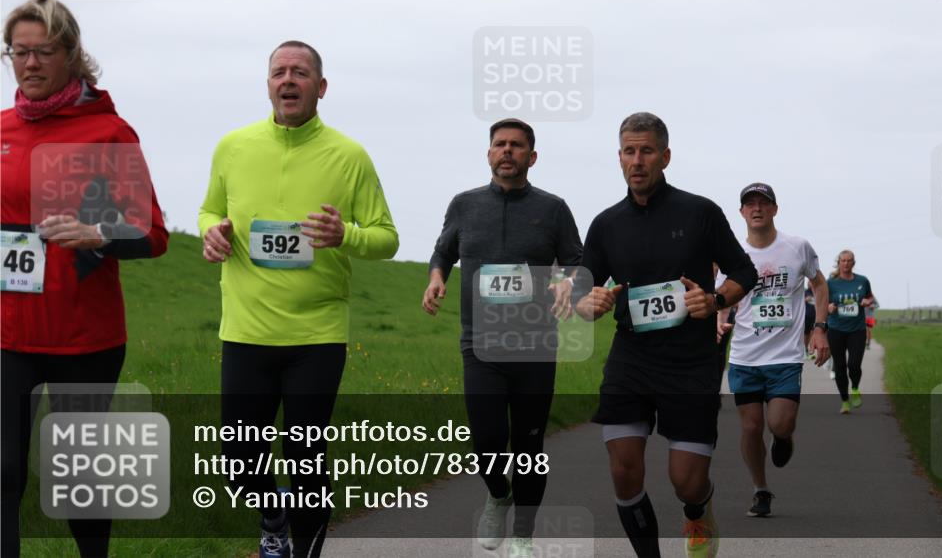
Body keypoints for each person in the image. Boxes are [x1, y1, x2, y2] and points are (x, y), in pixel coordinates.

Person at [198, 40, 398, 558]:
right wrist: (211, 233)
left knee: (306, 454)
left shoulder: (349, 155)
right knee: (240, 464)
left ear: (321, 88)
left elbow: (386, 237)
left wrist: (345, 235)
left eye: (301, 72)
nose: (289, 80)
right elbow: (207, 212)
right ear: (268, 84)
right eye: (279, 72)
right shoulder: (233, 147)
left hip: (317, 334)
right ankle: (273, 514)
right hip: (246, 331)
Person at [1, 0, 168, 557]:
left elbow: (153, 236)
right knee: (3, 472)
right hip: (9, 336)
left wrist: (100, 234)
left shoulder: (108, 133)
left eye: (42, 51)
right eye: (17, 52)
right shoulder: (1, 131)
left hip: (84, 338)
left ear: (71, 54)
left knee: (79, 485)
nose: (28, 63)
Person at [574, 112, 757, 558]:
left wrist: (714, 301)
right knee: (623, 470)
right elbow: (583, 289)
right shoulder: (606, 224)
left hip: (691, 361)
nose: (637, 160)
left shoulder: (700, 213)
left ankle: (698, 510)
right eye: (629, 151)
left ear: (665, 156)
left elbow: (744, 271)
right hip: (631, 358)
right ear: (619, 158)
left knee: (686, 480)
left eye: (647, 151)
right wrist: (589, 305)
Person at [422, 118, 583, 558]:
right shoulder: (464, 205)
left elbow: (575, 259)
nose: (506, 151)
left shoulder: (553, 209)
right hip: (481, 345)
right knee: (487, 441)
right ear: (489, 153)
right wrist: (436, 278)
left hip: (534, 347)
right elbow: (443, 251)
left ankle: (523, 536)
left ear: (532, 157)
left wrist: (569, 280)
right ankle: (497, 494)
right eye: (499, 144)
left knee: (529, 445)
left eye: (516, 145)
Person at [725, 183, 830, 518]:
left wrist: (819, 329)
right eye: (750, 204)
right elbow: (721, 294)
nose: (756, 209)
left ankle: (783, 439)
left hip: (784, 357)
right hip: (744, 356)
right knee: (752, 427)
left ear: (774, 209)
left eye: (763, 203)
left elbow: (820, 284)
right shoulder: (733, 254)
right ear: (742, 212)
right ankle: (760, 489)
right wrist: (717, 318)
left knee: (780, 425)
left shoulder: (797, 247)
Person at [826, 250, 875, 414]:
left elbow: (870, 297)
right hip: (836, 329)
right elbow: (822, 304)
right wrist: (828, 307)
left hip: (857, 329)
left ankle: (854, 388)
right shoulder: (831, 283)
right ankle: (845, 400)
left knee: (854, 364)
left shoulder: (862, 280)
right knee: (839, 367)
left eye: (849, 261)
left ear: (853, 263)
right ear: (838, 263)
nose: (846, 264)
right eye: (843, 261)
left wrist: (867, 301)